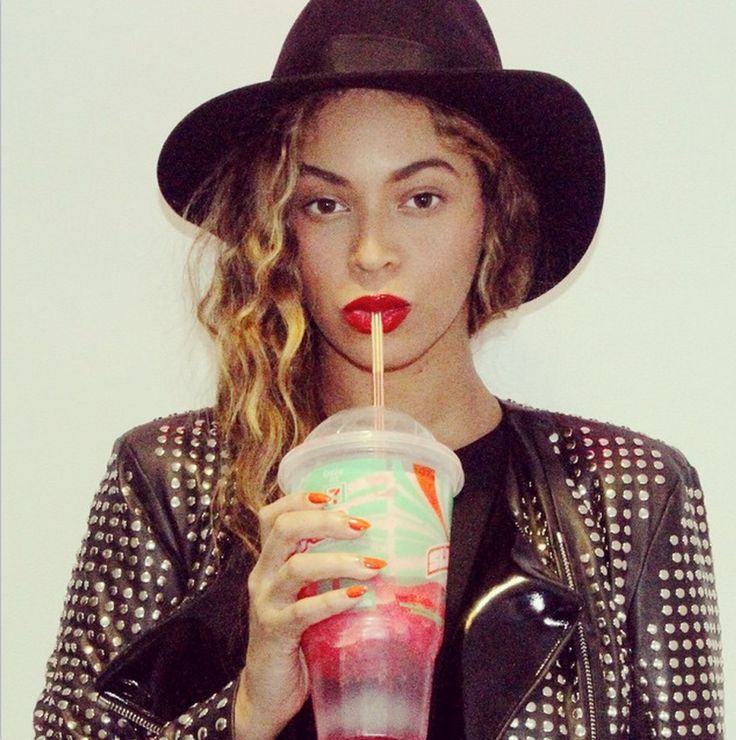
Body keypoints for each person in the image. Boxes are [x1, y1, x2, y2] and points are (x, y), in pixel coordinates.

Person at [34, 1, 724, 738]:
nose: (371, 251)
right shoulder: (173, 480)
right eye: (325, 204)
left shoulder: (625, 493)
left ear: (492, 216)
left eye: (421, 199)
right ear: (280, 232)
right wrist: (247, 710)